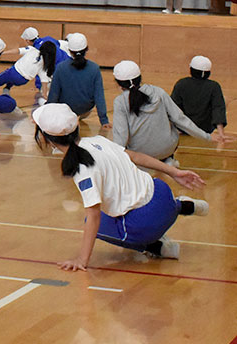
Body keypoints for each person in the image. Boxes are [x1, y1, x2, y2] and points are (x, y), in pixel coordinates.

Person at [33, 103, 208, 269]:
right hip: (162, 193)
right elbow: (136, 156)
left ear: (45, 137)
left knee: (91, 222)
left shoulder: (81, 169)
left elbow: (93, 216)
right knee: (132, 204)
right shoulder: (98, 141)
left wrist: (82, 260)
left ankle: (156, 247)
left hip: (147, 222)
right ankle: (181, 205)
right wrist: (173, 172)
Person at [111, 60, 212, 165]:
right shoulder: (158, 92)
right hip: (166, 149)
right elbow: (179, 119)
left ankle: (142, 166)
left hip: (139, 153)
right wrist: (206, 136)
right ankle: (167, 160)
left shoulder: (120, 101)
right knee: (171, 122)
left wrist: (116, 159)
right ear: (139, 77)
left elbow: (121, 136)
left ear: (118, 83)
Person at [46, 33, 109, 129]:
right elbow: (99, 96)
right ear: (86, 49)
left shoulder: (61, 67)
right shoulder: (94, 68)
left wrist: (48, 116)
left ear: (70, 51)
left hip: (65, 110)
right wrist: (104, 120)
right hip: (85, 110)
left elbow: (53, 95)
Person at [171, 56, 229, 144]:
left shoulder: (181, 83)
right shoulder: (214, 86)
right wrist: (221, 134)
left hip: (184, 128)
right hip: (205, 130)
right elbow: (218, 108)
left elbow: (172, 108)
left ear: (191, 70)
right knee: (223, 99)